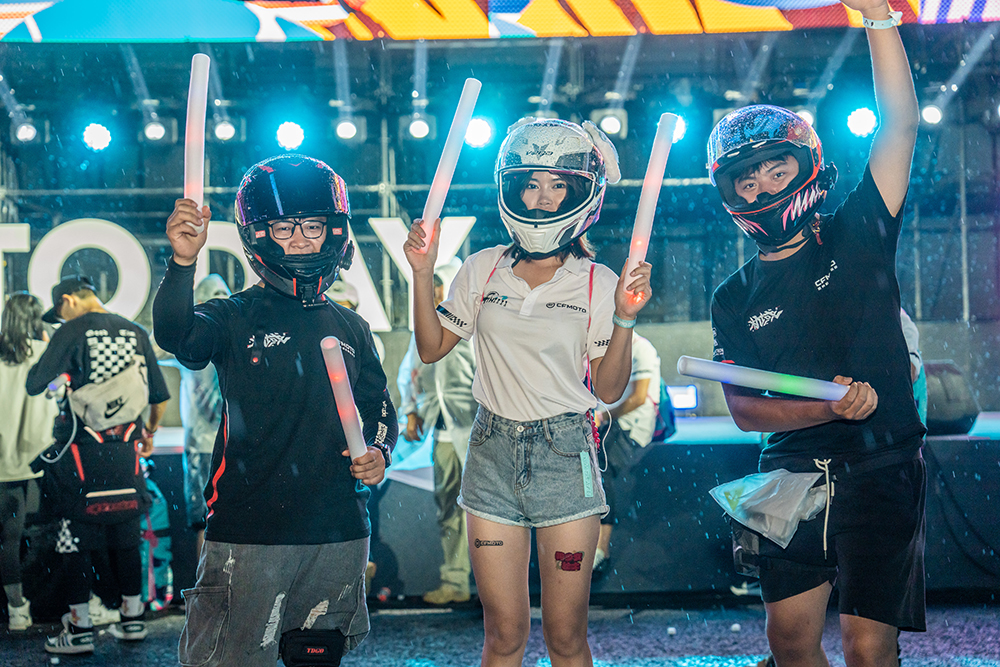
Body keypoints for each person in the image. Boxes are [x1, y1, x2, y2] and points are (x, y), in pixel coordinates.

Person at [707, 2, 926, 665]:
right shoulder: (733, 296)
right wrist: (825, 407)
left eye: (776, 170)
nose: (763, 187)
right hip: (789, 472)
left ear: (806, 166)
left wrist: (879, 17)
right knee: (789, 643)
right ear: (730, 194)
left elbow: (900, 123)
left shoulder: (859, 231)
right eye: (747, 179)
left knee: (867, 646)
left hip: (882, 463)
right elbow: (746, 411)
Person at [405, 117, 652, 666]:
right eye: (532, 183)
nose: (542, 197)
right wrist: (421, 273)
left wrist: (625, 318)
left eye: (558, 184)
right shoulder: (482, 268)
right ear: (513, 188)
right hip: (490, 452)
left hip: (566, 454)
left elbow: (609, 389)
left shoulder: (599, 281)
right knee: (502, 636)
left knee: (566, 638)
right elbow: (431, 347)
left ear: (582, 192)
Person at [153, 154, 397, 667]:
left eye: (313, 226)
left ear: (334, 230)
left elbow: (379, 407)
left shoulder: (352, 326)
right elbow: (176, 335)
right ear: (259, 236)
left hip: (338, 531)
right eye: (285, 228)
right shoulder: (233, 315)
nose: (302, 240)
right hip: (250, 531)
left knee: (317, 658)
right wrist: (182, 263)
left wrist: (379, 450)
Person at [25, 275, 170, 655]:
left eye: (60, 311)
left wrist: (60, 368)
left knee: (73, 539)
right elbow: (159, 395)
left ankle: (79, 630)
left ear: (69, 300)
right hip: (126, 456)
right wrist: (149, 432)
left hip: (81, 458)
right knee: (126, 533)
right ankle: (132, 619)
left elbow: (35, 383)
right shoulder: (134, 331)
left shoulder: (71, 331)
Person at [396, 261, 477, 605]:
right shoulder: (426, 326)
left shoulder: (476, 323)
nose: (436, 292)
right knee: (449, 508)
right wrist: (411, 412)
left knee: (487, 511)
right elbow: (409, 372)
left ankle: (493, 585)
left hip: (480, 432)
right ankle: (455, 581)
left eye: (441, 285)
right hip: (443, 434)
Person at [0, 292, 59, 631]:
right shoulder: (46, 354)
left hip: (3, 460)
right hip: (41, 457)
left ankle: (16, 608)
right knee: (56, 529)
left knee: (8, 538)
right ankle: (69, 603)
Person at [165, 274, 230, 561]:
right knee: (212, 521)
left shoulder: (190, 340)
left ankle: (210, 583)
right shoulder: (232, 337)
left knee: (205, 520)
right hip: (224, 443)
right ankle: (216, 583)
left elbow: (153, 343)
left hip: (205, 446)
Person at [592, 331, 660, 577]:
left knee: (601, 468)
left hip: (631, 427)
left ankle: (601, 549)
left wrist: (602, 416)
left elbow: (639, 398)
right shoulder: (604, 347)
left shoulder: (640, 347)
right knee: (591, 465)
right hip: (614, 423)